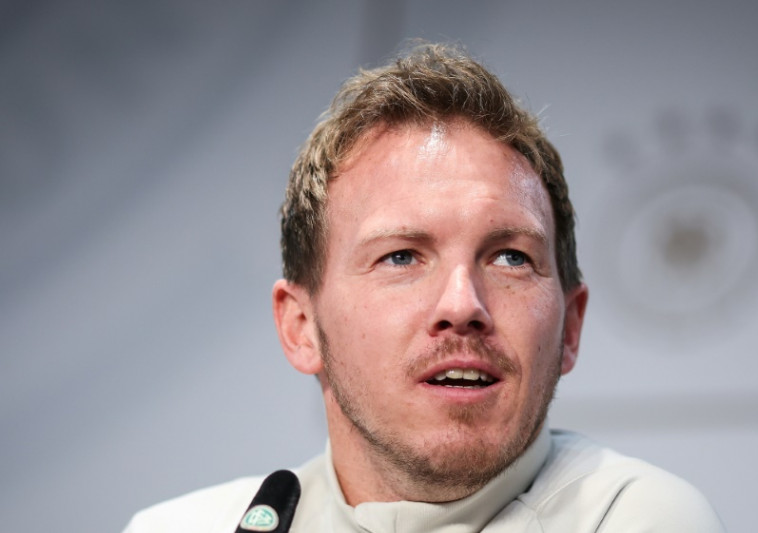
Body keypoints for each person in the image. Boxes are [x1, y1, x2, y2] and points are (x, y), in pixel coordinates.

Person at [123, 43, 725, 532]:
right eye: (401, 257)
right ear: (301, 327)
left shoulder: (638, 518)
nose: (463, 305)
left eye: (511, 257)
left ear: (570, 328)